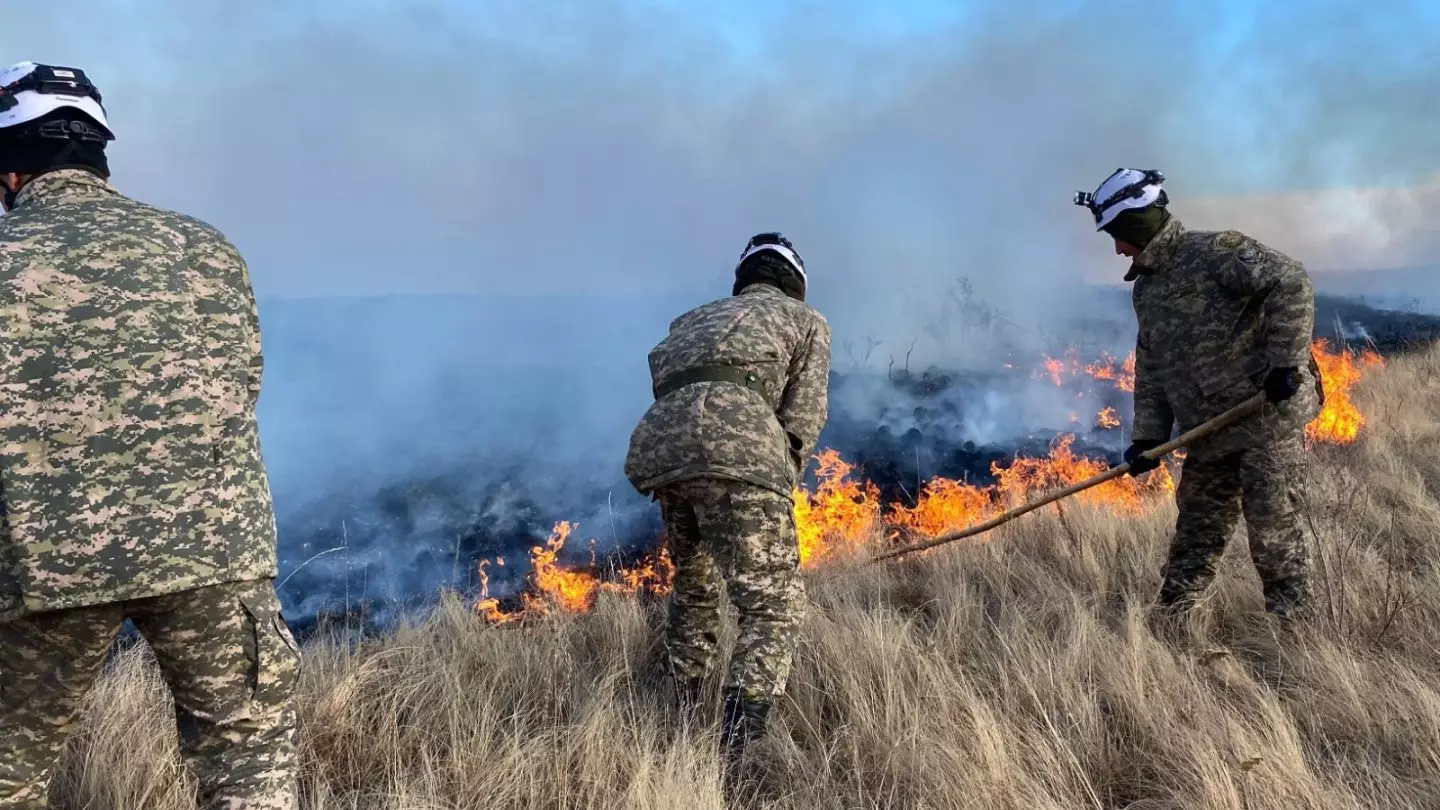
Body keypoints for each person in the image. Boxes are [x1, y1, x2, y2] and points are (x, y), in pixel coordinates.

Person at [0, 62, 298, 808]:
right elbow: (240, 383)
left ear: (8, 171)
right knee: (247, 765)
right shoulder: (206, 249)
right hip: (214, 550)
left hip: (45, 564)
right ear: (100, 151)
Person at [624, 232, 831, 785]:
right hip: (740, 452)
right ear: (794, 281)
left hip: (663, 450)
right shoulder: (806, 321)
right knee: (773, 606)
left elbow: (666, 380)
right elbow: (804, 416)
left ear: (743, 277)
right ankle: (738, 751)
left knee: (695, 591)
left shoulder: (690, 320)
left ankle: (680, 716)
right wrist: (782, 475)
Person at [1074, 168, 1323, 623]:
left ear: (1137, 224)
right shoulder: (1147, 290)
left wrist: (1286, 363)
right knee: (1196, 530)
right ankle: (1173, 620)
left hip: (1265, 421)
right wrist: (1148, 437)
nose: (1117, 248)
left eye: (1119, 235)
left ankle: (1294, 632)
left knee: (1272, 531)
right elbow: (1151, 364)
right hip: (1208, 433)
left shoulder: (1215, 253)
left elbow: (1290, 281)